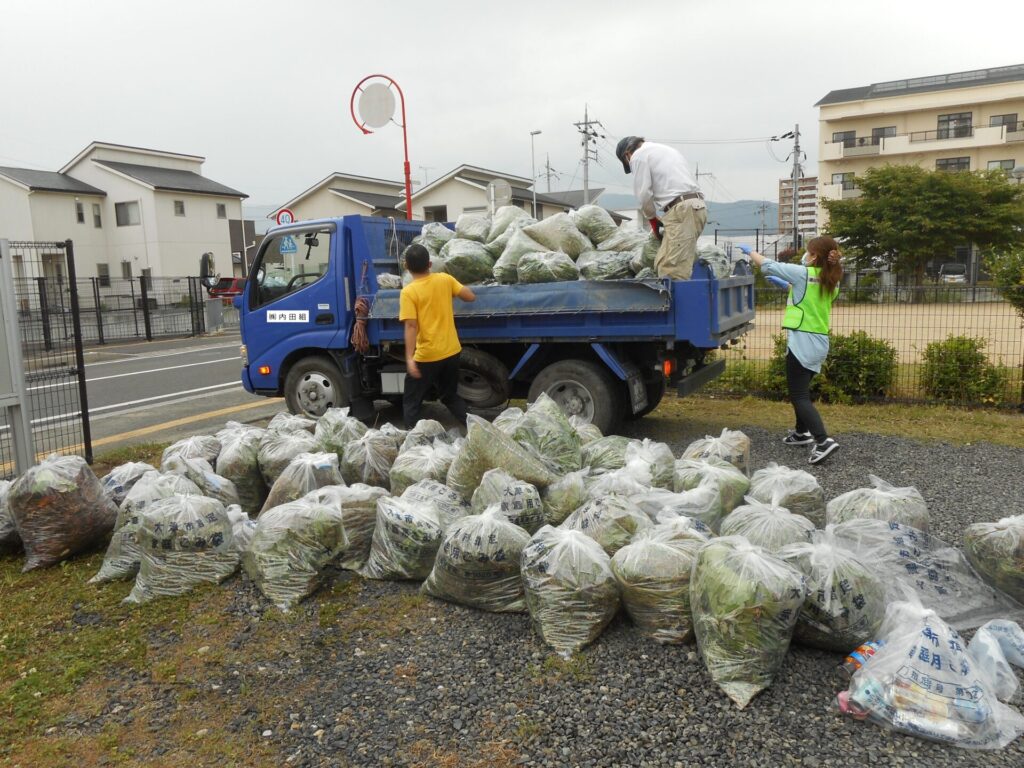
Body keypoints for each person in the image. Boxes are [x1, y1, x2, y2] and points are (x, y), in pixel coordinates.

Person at [738, 237, 843, 465]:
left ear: (814, 256)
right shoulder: (832, 279)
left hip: (802, 342)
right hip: (819, 343)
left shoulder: (803, 273)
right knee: (802, 389)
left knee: (799, 396)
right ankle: (800, 433)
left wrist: (750, 252)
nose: (804, 255)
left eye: (807, 252)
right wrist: (786, 286)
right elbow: (810, 294)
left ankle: (823, 441)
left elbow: (768, 265)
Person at [399, 243, 476, 428]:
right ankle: (477, 428)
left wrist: (409, 358)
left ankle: (413, 442)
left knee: (412, 400)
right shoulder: (445, 279)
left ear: (407, 267)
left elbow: (411, 326)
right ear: (430, 264)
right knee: (449, 396)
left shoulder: (409, 292)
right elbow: (470, 296)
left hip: (427, 356)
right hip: (452, 351)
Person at [615, 136, 707, 280]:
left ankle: (677, 302)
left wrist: (652, 219)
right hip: (693, 207)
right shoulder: (665, 150)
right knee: (663, 263)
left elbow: (644, 194)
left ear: (627, 154)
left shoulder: (638, 156)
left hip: (682, 210)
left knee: (672, 270)